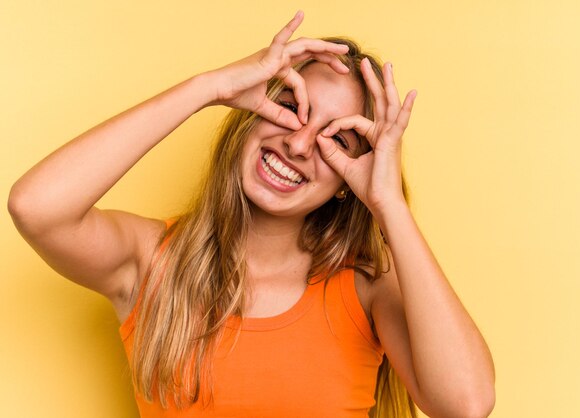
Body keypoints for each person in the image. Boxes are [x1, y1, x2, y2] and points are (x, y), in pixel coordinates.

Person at [8, 11, 495, 418]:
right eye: (290, 107)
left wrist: (387, 203)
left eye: (337, 141)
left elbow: (466, 404)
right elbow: (35, 207)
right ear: (252, 109)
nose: (300, 143)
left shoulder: (367, 284)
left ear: (350, 182)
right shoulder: (151, 262)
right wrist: (208, 88)